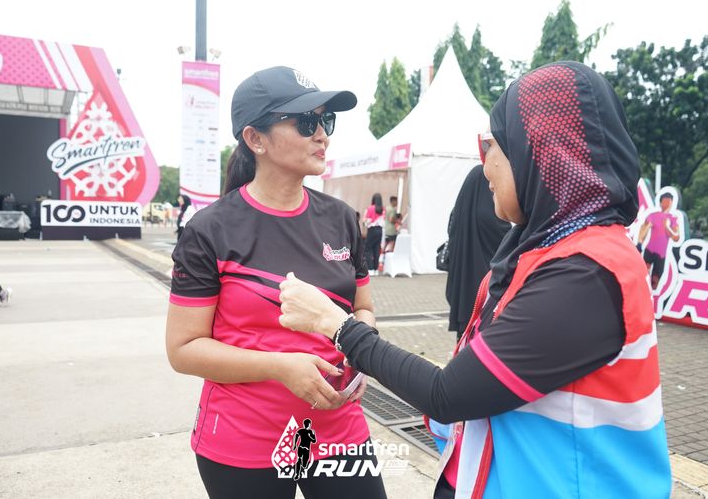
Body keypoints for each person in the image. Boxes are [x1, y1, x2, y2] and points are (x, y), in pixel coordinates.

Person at [279, 61, 671, 498]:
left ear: (541, 154)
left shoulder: (586, 273)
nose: (483, 168)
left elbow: (449, 394)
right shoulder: (543, 248)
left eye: (491, 146)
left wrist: (336, 325)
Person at [165, 66, 387, 499]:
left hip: (338, 428)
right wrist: (280, 367)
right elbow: (183, 349)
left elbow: (363, 309)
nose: (322, 135)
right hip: (244, 438)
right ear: (256, 139)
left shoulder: (342, 219)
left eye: (326, 121)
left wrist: (363, 350)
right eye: (305, 122)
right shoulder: (210, 230)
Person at [445, 165, 510, 340]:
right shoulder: (491, 216)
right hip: (483, 286)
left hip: (462, 287)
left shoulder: (459, 213)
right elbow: (504, 237)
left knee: (465, 335)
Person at [638, 192, 681, 289]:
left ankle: (651, 295)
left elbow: (676, 238)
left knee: (655, 282)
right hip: (649, 250)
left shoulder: (673, 218)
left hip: (661, 255)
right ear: (661, 203)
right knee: (643, 276)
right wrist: (639, 242)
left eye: (669, 202)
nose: (667, 204)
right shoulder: (653, 215)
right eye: (665, 201)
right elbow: (644, 228)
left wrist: (667, 226)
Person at [362, 193, 384, 276]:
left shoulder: (370, 208)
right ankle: (376, 269)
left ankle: (370, 269)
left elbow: (365, 221)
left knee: (368, 249)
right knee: (376, 249)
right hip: (380, 230)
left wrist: (365, 222)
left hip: (372, 230)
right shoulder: (382, 209)